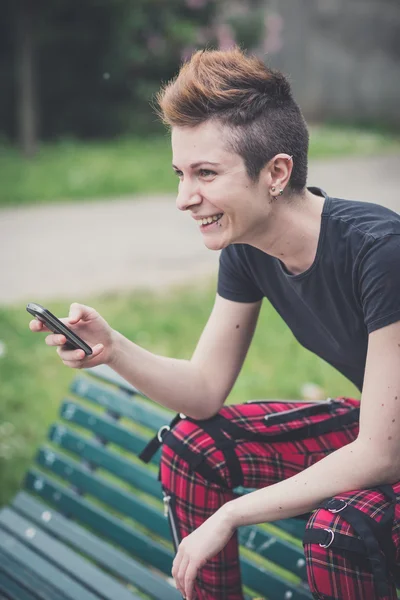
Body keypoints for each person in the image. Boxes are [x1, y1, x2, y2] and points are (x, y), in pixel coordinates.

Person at [29, 47, 400, 600]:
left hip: (386, 438)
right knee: (191, 444)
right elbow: (203, 392)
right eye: (180, 173)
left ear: (276, 172)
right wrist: (113, 348)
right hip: (386, 428)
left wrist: (231, 513)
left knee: (340, 531)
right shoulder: (249, 248)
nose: (184, 198)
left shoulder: (380, 250)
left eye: (205, 173)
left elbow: (381, 453)